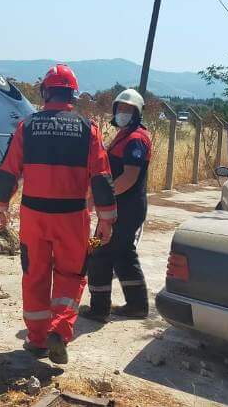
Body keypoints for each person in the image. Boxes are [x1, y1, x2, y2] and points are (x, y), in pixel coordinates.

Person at [0, 64, 116, 365]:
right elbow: (101, 178)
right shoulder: (89, 129)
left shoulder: (27, 126)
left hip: (34, 216)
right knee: (72, 275)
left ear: (46, 92)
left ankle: (36, 341)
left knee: (35, 274)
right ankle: (59, 329)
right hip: (73, 217)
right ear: (72, 93)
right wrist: (106, 219)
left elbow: (8, 171)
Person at [80, 89, 153, 322]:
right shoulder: (125, 135)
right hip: (119, 207)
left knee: (99, 253)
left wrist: (104, 198)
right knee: (123, 254)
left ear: (137, 113)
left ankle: (99, 309)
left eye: (128, 110)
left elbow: (129, 177)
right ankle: (137, 305)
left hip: (126, 207)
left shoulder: (136, 139)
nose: (122, 112)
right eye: (120, 108)